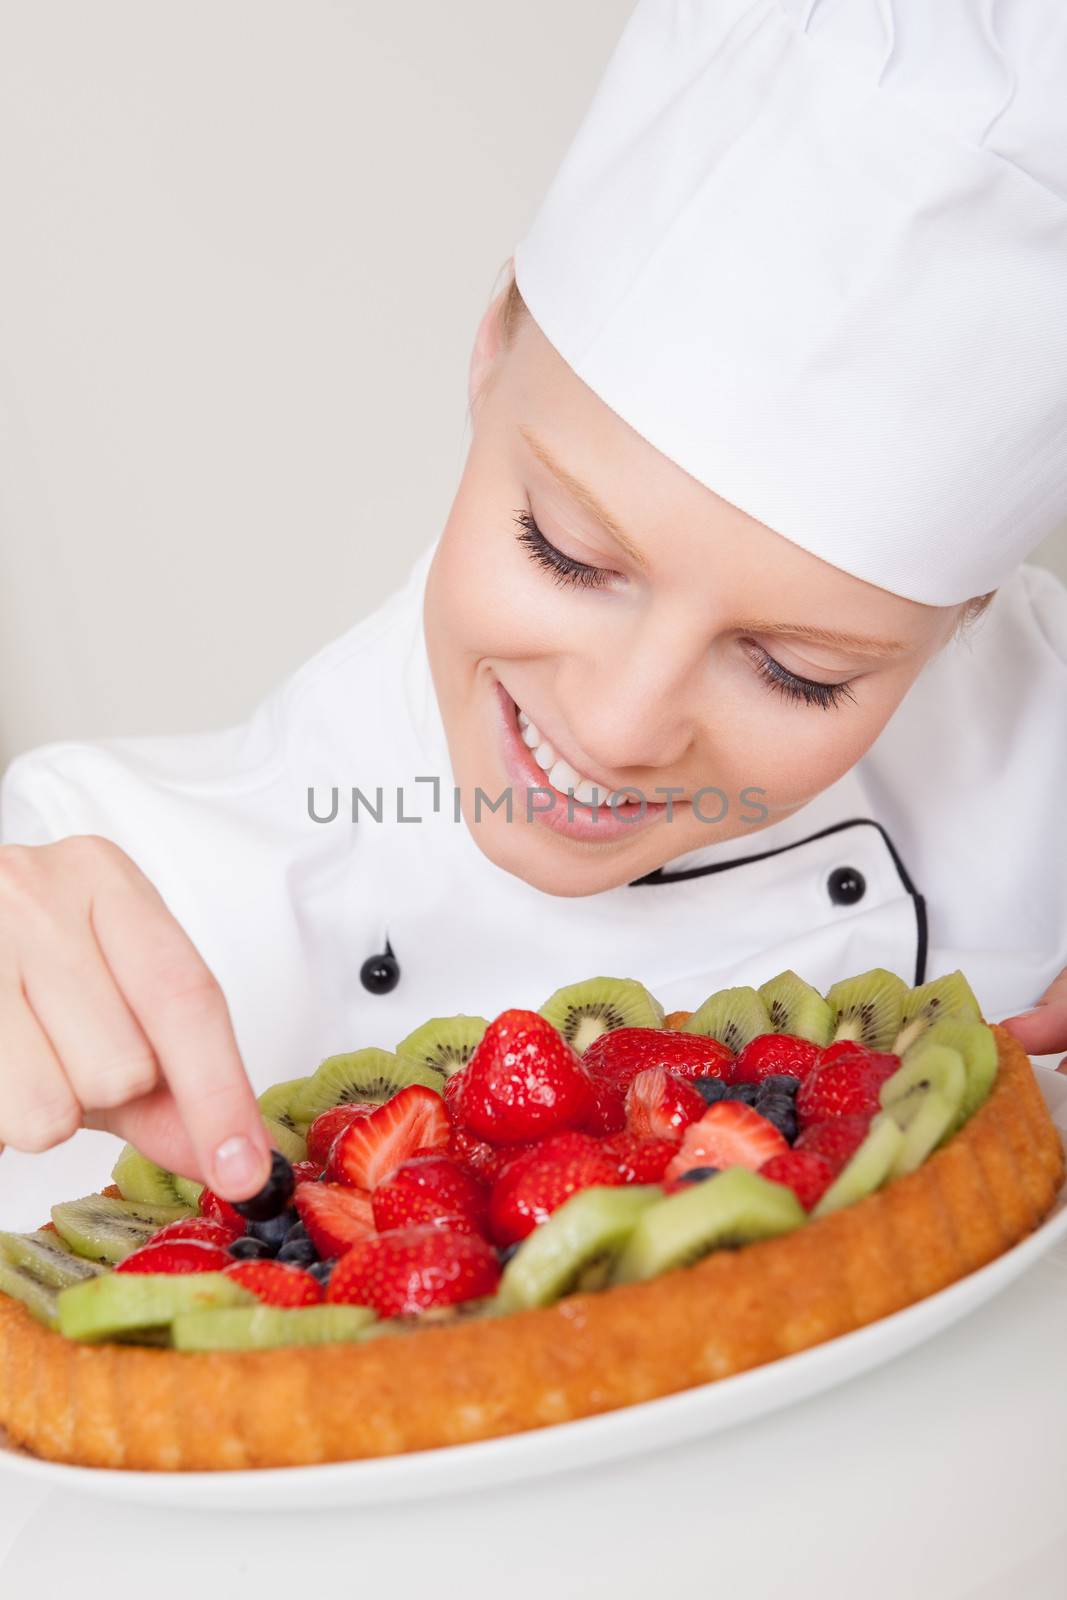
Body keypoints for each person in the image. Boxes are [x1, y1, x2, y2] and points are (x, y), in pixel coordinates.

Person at [1, 0, 1065, 1223]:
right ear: (487, 351)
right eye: (564, 552)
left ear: (967, 612)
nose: (617, 728)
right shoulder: (120, 882)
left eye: (795, 669)